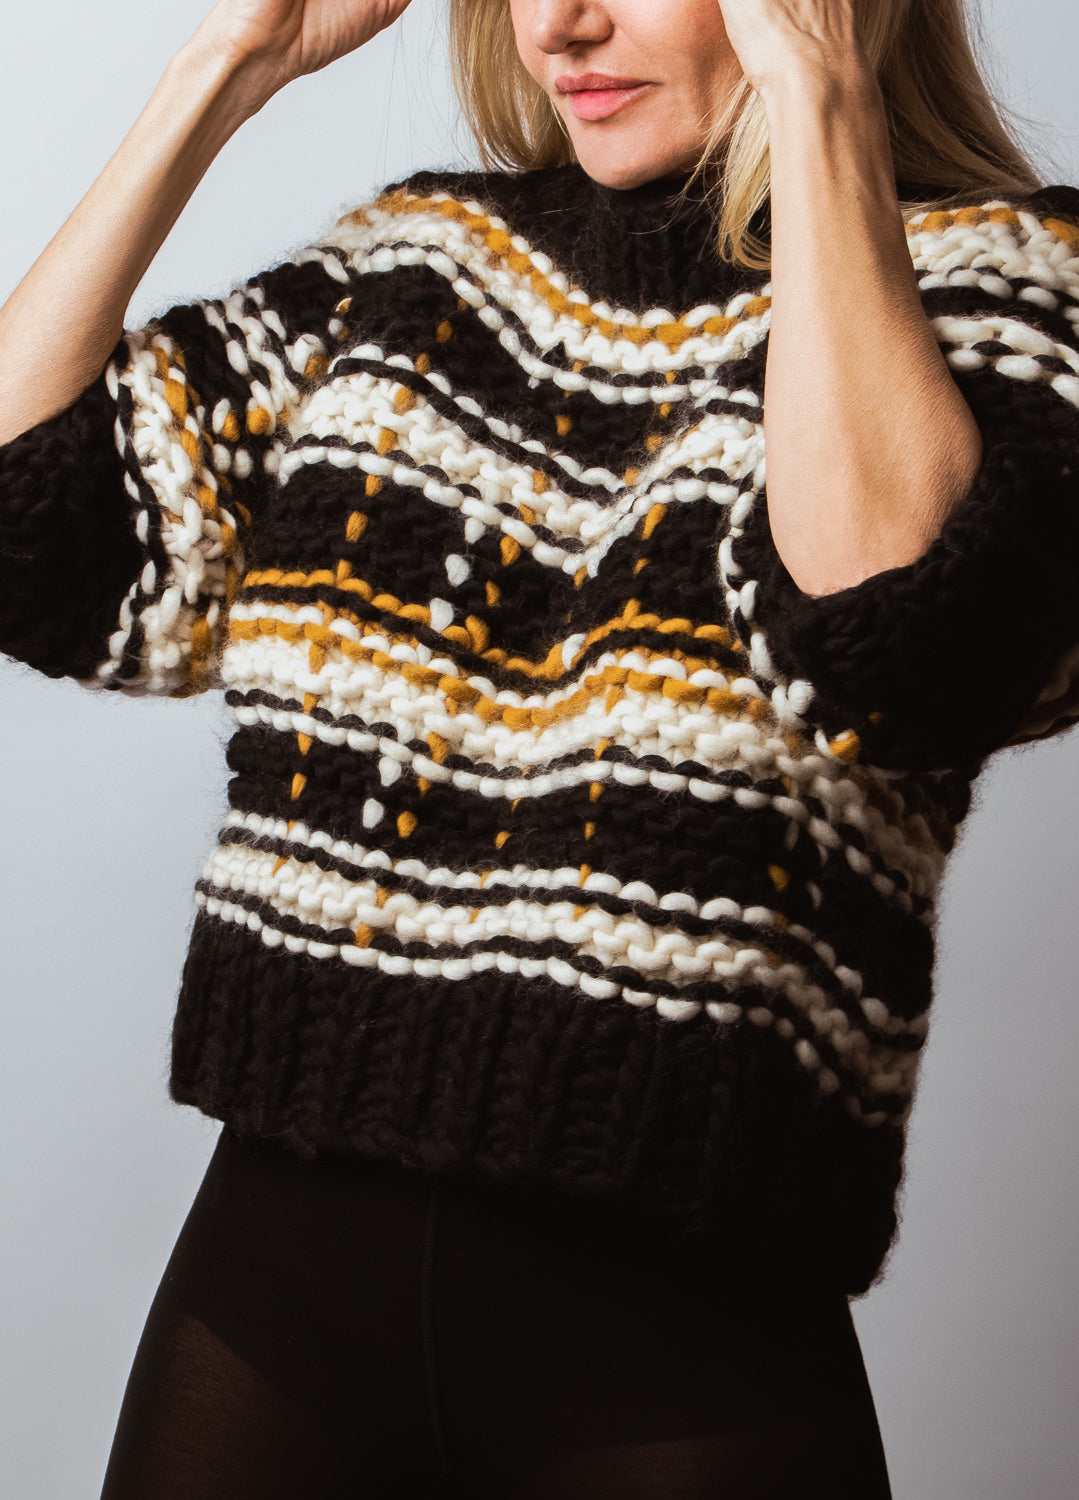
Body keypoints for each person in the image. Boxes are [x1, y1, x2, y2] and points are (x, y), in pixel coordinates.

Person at [2, 0, 1078, 1494]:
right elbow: (30, 527)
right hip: (275, 1283)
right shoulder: (419, 265)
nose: (561, 25)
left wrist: (820, 100)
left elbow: (892, 653)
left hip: (678, 1329)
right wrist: (224, 69)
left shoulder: (1009, 295)